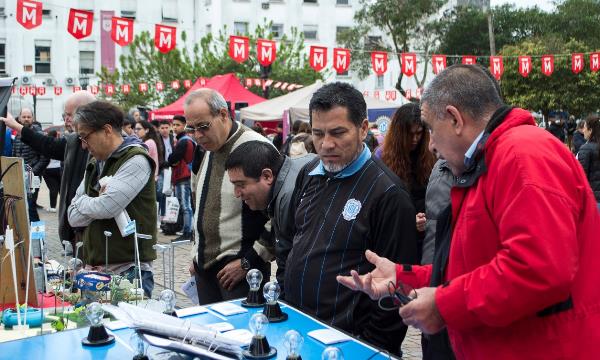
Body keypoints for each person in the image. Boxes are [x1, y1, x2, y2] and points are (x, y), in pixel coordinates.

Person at [338, 64, 600, 359]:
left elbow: (538, 268)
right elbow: (472, 268)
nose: (431, 144)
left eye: (432, 130)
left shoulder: (522, 155)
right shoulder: (492, 160)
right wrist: (402, 277)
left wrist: (443, 304)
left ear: (454, 119)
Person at [284, 82, 418, 356]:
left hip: (348, 346)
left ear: (363, 128)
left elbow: (397, 287)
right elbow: (291, 240)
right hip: (297, 332)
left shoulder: (389, 195)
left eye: (338, 133)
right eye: (318, 133)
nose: (326, 144)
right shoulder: (308, 173)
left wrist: (368, 347)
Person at [185, 88, 274, 305]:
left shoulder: (256, 146)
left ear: (223, 114)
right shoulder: (207, 148)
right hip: (205, 269)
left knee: (243, 335)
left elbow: (279, 215)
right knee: (212, 333)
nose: (197, 135)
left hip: (239, 270)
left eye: (203, 126)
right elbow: (199, 206)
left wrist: (248, 262)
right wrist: (196, 254)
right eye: (192, 128)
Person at [67, 101, 157, 297]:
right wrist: (94, 203)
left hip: (128, 271)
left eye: (85, 137)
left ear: (107, 130)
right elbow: (72, 217)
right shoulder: (95, 163)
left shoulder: (136, 159)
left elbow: (106, 207)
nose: (83, 145)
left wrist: (83, 202)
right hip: (96, 269)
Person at [0, 91, 95, 249]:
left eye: (70, 115)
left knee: (32, 212)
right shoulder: (74, 141)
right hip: (74, 225)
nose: (66, 120)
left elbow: (45, 152)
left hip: (92, 228)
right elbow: (48, 146)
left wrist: (33, 173)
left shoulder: (112, 151)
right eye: (65, 115)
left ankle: (39, 244)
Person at [225, 140, 316, 293]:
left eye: (241, 185)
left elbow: (290, 265)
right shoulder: (295, 171)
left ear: (267, 176)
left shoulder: (286, 198)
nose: (236, 193)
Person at [375, 103, 436, 260]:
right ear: (399, 133)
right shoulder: (382, 156)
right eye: (409, 134)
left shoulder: (430, 154)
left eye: (419, 133)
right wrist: (409, 220)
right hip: (397, 233)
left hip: (427, 233)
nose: (415, 139)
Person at [12, 108, 49, 222]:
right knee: (23, 206)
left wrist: (32, 173)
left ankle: (38, 237)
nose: (26, 119)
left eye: (29, 117)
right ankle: (28, 234)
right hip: (20, 174)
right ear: (19, 118)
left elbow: (45, 159)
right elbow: (15, 154)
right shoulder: (18, 134)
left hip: (34, 176)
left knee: (31, 206)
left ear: (32, 118)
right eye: (24, 117)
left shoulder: (39, 134)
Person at [167, 115, 196, 241]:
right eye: (173, 125)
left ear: (184, 125)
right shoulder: (186, 140)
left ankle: (187, 232)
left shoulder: (184, 141)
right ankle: (187, 230)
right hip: (184, 176)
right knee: (185, 205)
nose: (174, 127)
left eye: (177, 125)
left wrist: (171, 161)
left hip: (183, 177)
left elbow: (172, 158)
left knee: (185, 205)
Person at [577, 114, 600, 208]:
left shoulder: (585, 148)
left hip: (594, 200)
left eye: (585, 127)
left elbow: (581, 177)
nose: (583, 131)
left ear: (590, 130)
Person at [157, 120, 174, 219]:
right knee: (160, 192)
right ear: (159, 129)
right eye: (162, 128)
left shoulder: (173, 138)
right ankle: (161, 214)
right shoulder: (157, 139)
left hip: (172, 168)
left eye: (166, 128)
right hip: (161, 168)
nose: (164, 130)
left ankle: (169, 215)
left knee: (169, 192)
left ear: (170, 127)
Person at [43, 130, 62, 213]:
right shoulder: (59, 143)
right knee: (62, 189)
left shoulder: (45, 144)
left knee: (53, 189)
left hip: (48, 169)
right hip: (59, 168)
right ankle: (65, 205)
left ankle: (53, 207)